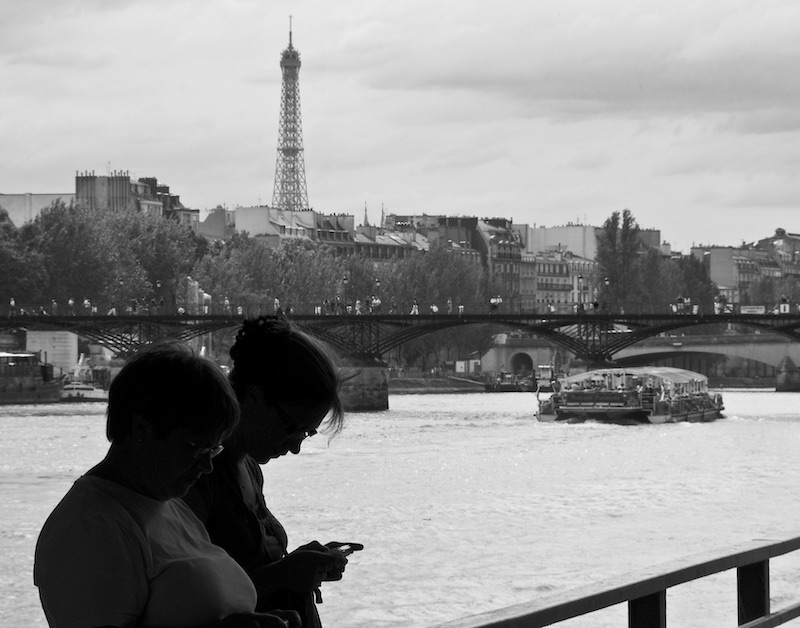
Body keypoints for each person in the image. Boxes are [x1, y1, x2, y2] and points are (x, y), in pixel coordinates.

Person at [34, 341, 298, 628]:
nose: (208, 466)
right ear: (141, 429)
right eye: (196, 447)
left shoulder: (167, 505)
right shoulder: (90, 526)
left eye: (214, 450)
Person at [184, 317, 355, 628]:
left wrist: (298, 567)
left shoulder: (248, 465)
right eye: (292, 429)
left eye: (306, 434)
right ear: (253, 398)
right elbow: (184, 604)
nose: (295, 448)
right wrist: (282, 575)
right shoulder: (195, 477)